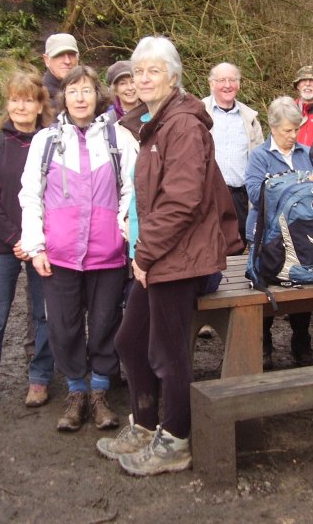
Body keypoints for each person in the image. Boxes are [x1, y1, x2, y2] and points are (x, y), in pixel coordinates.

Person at [97, 36, 240, 477]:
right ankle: (144, 423)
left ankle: (176, 440)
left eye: (153, 70)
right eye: (138, 71)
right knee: (129, 341)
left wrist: (144, 254)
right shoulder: (153, 123)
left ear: (174, 77)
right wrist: (146, 252)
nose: (142, 78)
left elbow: (182, 201)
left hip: (184, 258)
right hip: (162, 254)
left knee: (168, 352)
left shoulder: (183, 126)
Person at [19, 65, 137, 432]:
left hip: (107, 254)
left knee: (105, 324)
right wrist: (36, 245)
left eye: (86, 90)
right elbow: (30, 196)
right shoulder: (46, 141)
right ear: (63, 98)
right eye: (73, 91)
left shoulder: (119, 138)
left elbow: (133, 191)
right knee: (64, 326)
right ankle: (75, 392)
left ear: (97, 95)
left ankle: (99, 393)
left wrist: (123, 233)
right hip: (60, 254)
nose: (81, 97)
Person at [0, 70, 56, 411]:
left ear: (39, 105)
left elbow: (56, 197)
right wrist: (18, 239)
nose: (21, 106)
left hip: (42, 246)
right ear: (8, 104)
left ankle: (40, 378)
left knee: (43, 314)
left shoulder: (50, 143)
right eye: (15, 99)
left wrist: (35, 242)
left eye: (28, 99)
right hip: (3, 246)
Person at [244, 97, 313, 369]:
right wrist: (293, 184)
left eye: (296, 129)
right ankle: (264, 344)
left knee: (301, 289)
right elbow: (254, 193)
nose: (293, 136)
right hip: (267, 236)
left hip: (300, 237)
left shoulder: (305, 153)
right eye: (287, 130)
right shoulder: (260, 156)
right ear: (273, 128)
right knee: (265, 292)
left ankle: (301, 342)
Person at [202, 62, 264, 250]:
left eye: (232, 80)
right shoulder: (198, 113)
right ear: (211, 84)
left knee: (237, 245)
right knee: (207, 246)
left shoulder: (250, 118)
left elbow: (260, 159)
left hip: (240, 196)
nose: (227, 85)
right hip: (207, 194)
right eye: (222, 80)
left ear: (239, 84)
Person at [42, 33, 80, 107]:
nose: (67, 61)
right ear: (46, 60)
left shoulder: (93, 94)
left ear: (77, 58)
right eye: (60, 55)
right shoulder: (39, 98)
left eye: (71, 54)